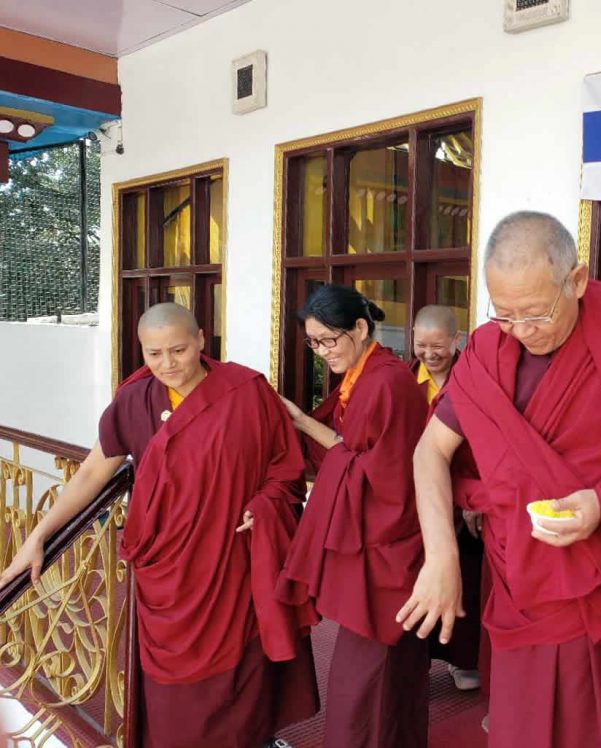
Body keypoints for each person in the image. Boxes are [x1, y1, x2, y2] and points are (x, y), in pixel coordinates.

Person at [396, 211, 601, 748]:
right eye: (505, 315)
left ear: (577, 279)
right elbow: (429, 451)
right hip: (521, 589)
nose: (522, 332)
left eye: (536, 314)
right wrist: (441, 555)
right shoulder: (486, 351)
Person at [0, 303, 319, 748]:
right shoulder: (136, 400)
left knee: (240, 677)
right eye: (154, 354)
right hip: (166, 569)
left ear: (202, 340)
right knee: (173, 702)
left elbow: (285, 469)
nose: (168, 364)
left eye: (179, 350)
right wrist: (39, 536)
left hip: (230, 560)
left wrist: (265, 503)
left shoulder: (246, 391)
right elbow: (94, 472)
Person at [276, 285, 430, 748]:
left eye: (328, 340)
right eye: (313, 343)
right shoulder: (362, 376)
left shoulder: (385, 381)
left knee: (368, 672)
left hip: (389, 537)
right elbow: (356, 454)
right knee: (381, 667)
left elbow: (382, 474)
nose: (322, 352)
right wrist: (302, 423)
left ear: (360, 329)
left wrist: (303, 423)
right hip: (381, 532)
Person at [409, 304, 484, 692]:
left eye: (438, 344)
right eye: (421, 344)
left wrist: (473, 493)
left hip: (464, 496)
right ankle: (414, 661)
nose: (429, 353)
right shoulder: (405, 383)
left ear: (457, 340)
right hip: (417, 500)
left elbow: (486, 443)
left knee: (465, 580)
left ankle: (462, 661)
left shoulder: (472, 380)